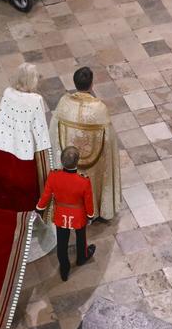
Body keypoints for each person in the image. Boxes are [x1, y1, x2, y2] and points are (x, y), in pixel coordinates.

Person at [0, 62, 53, 212]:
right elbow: (40, 131)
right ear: (32, 80)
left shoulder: (7, 92)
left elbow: (1, 118)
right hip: (23, 150)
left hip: (0, 144)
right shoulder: (36, 100)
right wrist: (47, 158)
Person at [49, 66, 121, 222]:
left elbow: (54, 130)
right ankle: (95, 209)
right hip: (92, 164)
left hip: (68, 158)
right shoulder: (99, 108)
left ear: (75, 83)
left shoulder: (64, 103)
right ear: (91, 84)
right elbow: (108, 139)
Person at [36, 146, 96, 281]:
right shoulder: (84, 181)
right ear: (77, 161)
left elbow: (45, 196)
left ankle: (64, 268)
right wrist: (90, 216)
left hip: (61, 214)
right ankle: (82, 257)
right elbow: (88, 202)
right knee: (81, 237)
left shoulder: (53, 176)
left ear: (62, 161)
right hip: (78, 215)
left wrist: (39, 208)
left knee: (62, 244)